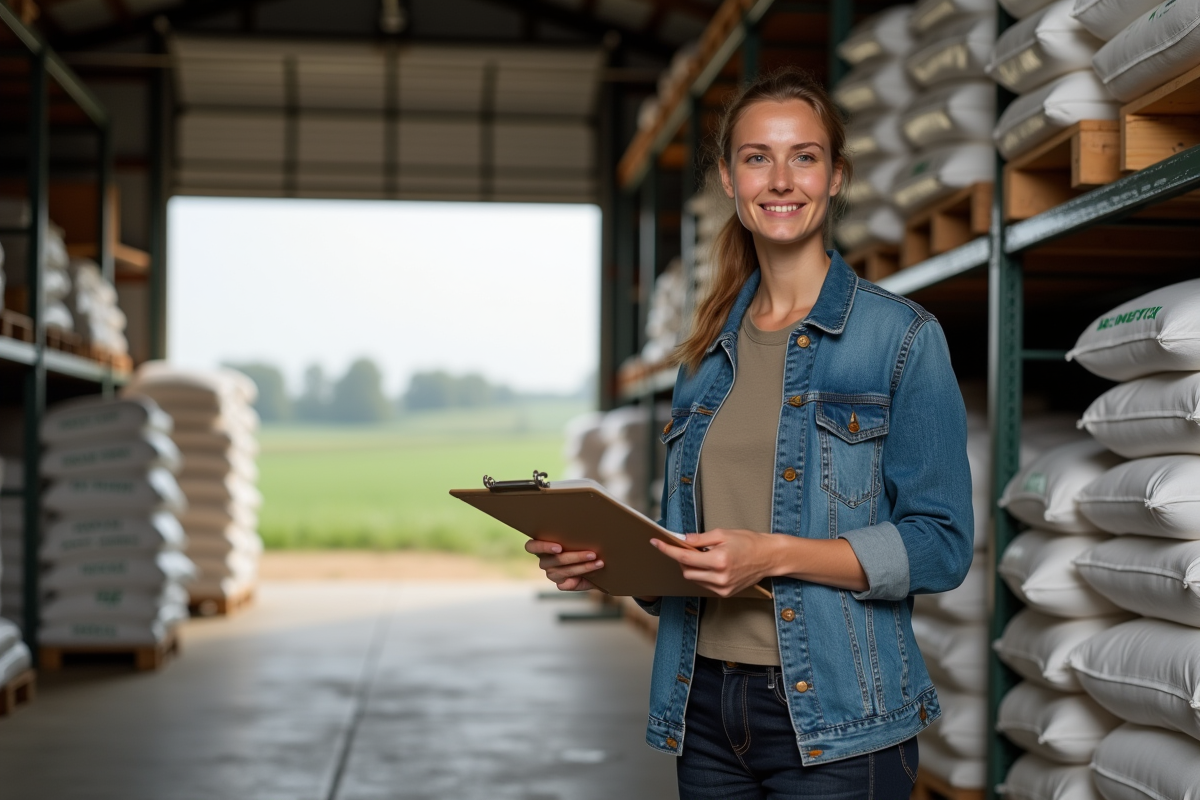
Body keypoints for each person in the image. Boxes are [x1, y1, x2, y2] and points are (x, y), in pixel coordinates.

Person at [527, 67, 973, 800]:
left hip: (837, 717)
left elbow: (942, 544)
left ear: (835, 178)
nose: (781, 178)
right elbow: (685, 563)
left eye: (804, 155)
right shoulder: (705, 357)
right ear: (730, 183)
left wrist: (774, 556)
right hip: (702, 708)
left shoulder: (900, 338)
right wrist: (605, 564)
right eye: (757, 157)